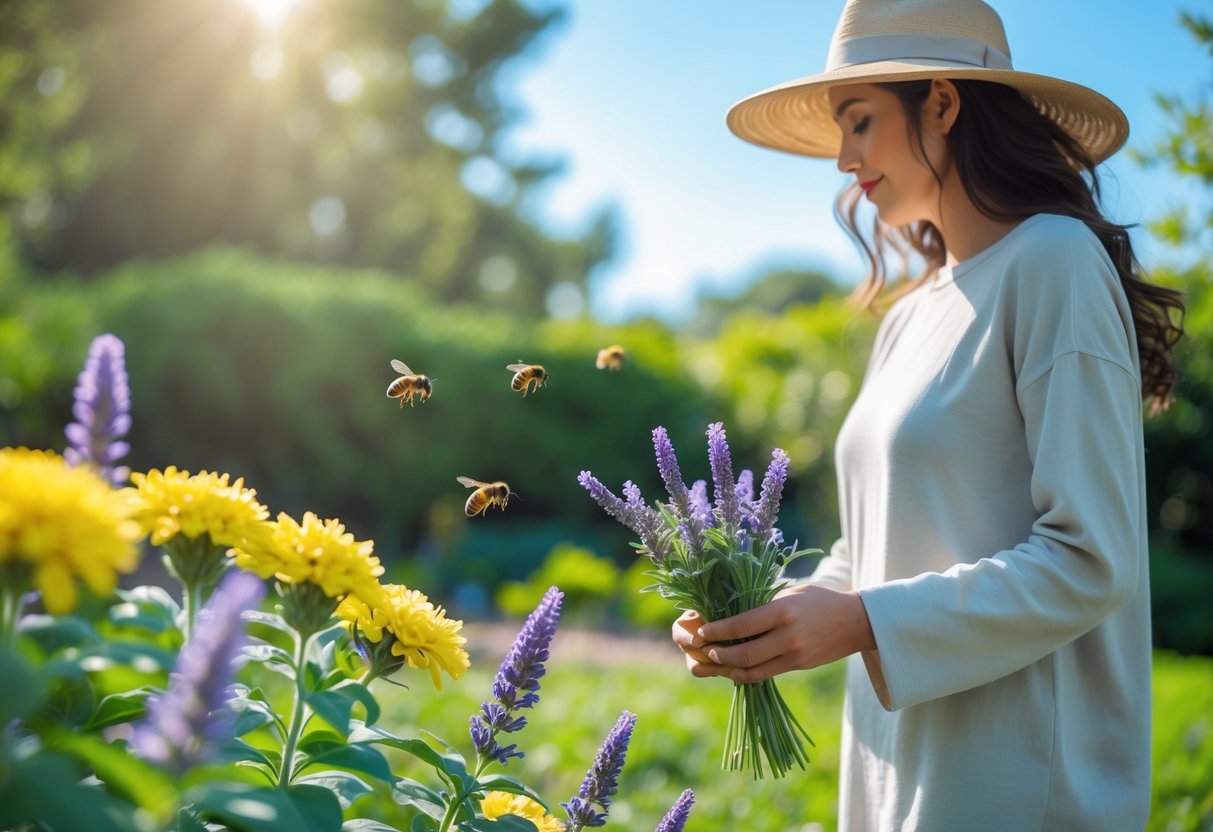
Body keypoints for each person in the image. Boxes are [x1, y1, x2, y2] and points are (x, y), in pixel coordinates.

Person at [671, 1, 1186, 829]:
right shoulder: (911, 314)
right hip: (893, 771)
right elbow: (877, 542)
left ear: (941, 104)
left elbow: (1092, 558)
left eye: (860, 123)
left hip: (1016, 785)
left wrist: (861, 621)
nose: (842, 159)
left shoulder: (1053, 262)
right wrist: (773, 618)